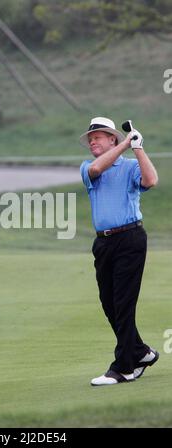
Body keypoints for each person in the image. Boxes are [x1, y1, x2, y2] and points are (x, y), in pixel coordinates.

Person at [79, 117, 159, 386]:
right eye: (90, 139)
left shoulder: (130, 166)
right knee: (110, 303)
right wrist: (126, 143)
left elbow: (151, 180)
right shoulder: (89, 167)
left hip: (130, 239)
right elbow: (96, 169)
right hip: (103, 243)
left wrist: (138, 148)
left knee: (124, 303)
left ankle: (123, 367)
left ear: (111, 138)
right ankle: (141, 352)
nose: (92, 142)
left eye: (98, 137)